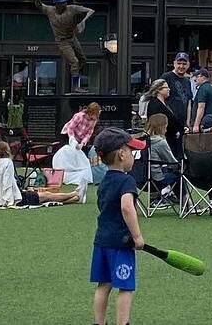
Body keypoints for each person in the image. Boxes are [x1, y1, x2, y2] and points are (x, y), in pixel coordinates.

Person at [90, 127, 147, 325]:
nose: (134, 156)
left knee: (103, 285)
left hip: (101, 241)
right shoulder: (127, 180)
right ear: (122, 154)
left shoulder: (104, 181)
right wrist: (138, 236)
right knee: (125, 286)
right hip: (121, 244)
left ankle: (99, 323)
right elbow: (127, 208)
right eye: (132, 151)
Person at [0, 141, 79, 207]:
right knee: (47, 196)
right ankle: (73, 194)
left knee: (45, 197)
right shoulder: (6, 162)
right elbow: (7, 184)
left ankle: (74, 198)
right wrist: (10, 203)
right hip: (12, 199)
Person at [34, 0, 94, 93]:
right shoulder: (50, 10)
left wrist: (83, 21)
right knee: (75, 62)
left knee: (82, 60)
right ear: (57, 4)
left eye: (65, 2)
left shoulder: (72, 8)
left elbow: (91, 11)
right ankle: (76, 86)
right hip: (62, 42)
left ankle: (74, 71)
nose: (65, 4)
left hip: (72, 38)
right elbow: (39, 5)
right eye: (62, 3)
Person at [141, 79, 185, 160]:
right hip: (164, 138)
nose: (169, 89)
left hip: (172, 137)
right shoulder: (154, 104)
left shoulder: (165, 102)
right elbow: (157, 122)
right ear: (158, 90)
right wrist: (174, 131)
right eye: (166, 87)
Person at [143, 113, 180, 205]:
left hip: (140, 180)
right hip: (156, 180)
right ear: (163, 126)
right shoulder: (160, 142)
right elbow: (172, 162)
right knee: (180, 174)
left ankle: (159, 196)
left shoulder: (142, 140)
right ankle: (187, 204)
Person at [159, 53, 194, 136]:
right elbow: (159, 98)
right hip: (168, 124)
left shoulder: (187, 81)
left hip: (182, 125)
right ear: (174, 63)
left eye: (184, 64)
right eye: (179, 63)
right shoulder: (166, 77)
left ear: (188, 65)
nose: (181, 66)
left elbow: (188, 102)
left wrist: (187, 122)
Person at [189, 68, 212, 133]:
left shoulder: (203, 89)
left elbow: (201, 107)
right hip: (211, 121)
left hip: (203, 123)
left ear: (203, 77)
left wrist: (196, 125)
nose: (195, 79)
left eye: (196, 77)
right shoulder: (211, 88)